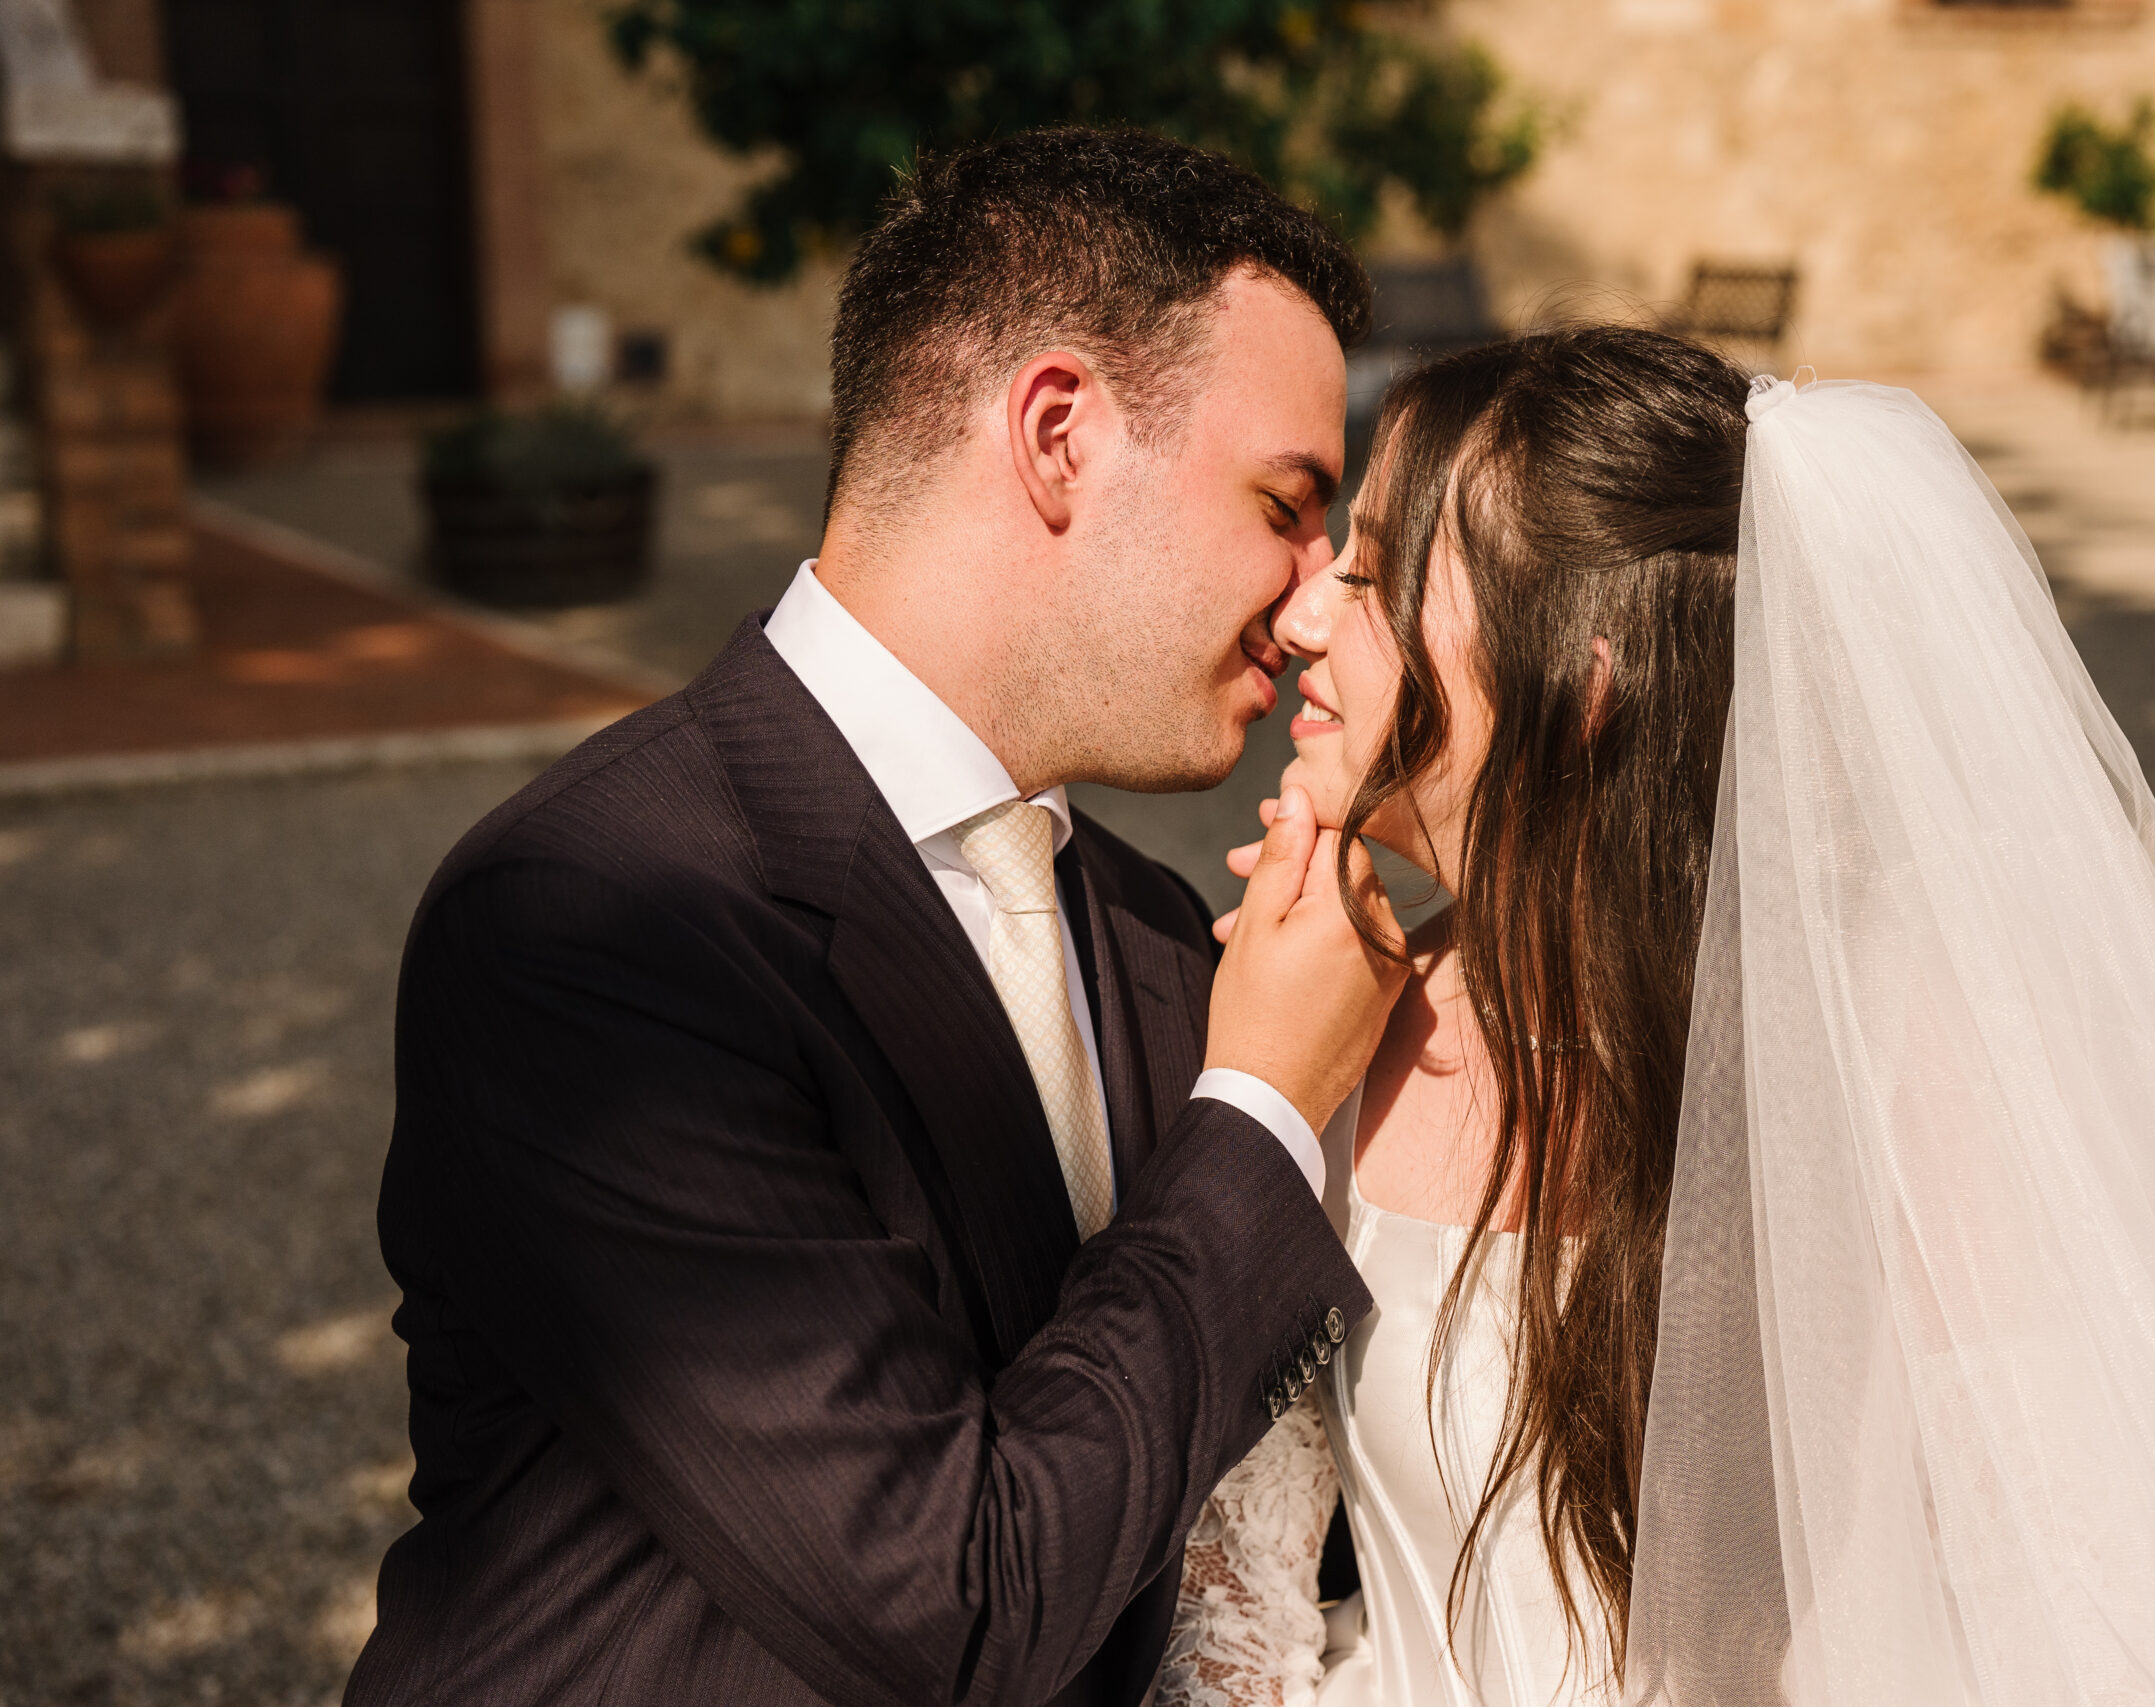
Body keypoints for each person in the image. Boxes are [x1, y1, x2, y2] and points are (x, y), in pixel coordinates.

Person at [1156, 327, 2155, 1707]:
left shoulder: (1905, 1070)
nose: (1305, 617)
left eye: (1376, 574)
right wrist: (1266, 1078)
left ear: (1583, 681)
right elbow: (1234, 1608)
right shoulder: (1326, 1024)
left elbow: (2077, 1606)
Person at [347, 129, 1410, 1707]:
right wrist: (1258, 1111)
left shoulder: (1152, 927)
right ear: (1059, 435)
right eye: (1285, 504)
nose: (1315, 599)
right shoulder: (597, 922)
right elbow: (945, 1610)